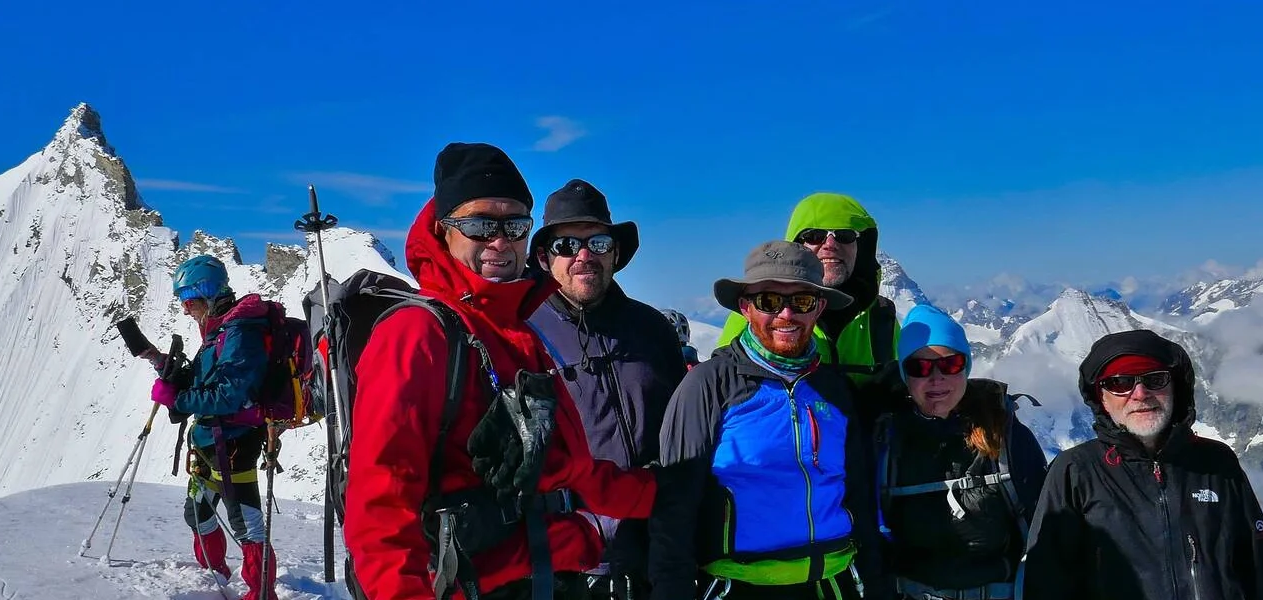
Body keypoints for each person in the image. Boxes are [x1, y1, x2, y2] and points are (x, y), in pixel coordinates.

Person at [344, 142, 656, 600]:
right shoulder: (418, 333)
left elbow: (572, 471)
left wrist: (664, 494)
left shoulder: (514, 330)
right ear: (443, 229)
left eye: (514, 225)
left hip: (547, 578)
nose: (500, 241)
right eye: (479, 225)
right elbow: (381, 503)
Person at [652, 241, 887, 600]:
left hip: (834, 585)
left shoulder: (833, 390)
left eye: (802, 302)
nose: (787, 315)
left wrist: (876, 583)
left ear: (819, 307)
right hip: (740, 588)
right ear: (745, 307)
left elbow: (858, 495)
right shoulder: (709, 385)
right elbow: (674, 506)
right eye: (769, 301)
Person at [1020, 329, 1263, 599]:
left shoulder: (1217, 462)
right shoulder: (1075, 471)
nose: (1140, 393)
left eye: (1155, 380)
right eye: (1120, 383)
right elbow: (1046, 582)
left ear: (1175, 388)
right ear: (1101, 397)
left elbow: (1259, 567)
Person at [524, 179, 687, 600]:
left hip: (660, 558)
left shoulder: (653, 330)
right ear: (544, 257)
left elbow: (687, 437)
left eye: (597, 243)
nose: (583, 256)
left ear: (615, 252)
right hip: (565, 569)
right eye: (565, 245)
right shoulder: (521, 338)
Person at [865, 305, 1045, 600]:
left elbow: (1045, 526)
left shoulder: (1005, 436)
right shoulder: (885, 441)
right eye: (920, 367)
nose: (937, 378)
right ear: (904, 376)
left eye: (950, 364)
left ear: (967, 367)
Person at [150, 254, 277, 600]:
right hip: (209, 442)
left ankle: (261, 593)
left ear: (207, 292)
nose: (185, 309)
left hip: (234, 445)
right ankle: (212, 575)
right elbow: (203, 377)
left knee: (246, 523)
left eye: (188, 300)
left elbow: (228, 396)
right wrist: (162, 364)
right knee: (197, 512)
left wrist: (178, 400)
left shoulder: (240, 332)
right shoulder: (218, 330)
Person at [717, 193, 898, 393]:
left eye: (845, 236)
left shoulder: (882, 319)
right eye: (814, 236)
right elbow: (721, 391)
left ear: (860, 247)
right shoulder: (756, 311)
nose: (830, 245)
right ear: (796, 246)